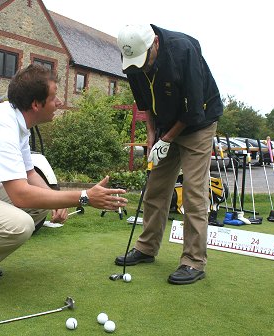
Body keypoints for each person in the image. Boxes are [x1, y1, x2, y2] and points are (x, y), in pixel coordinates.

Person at [0, 64, 128, 294]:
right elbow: (20, 194)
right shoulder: (1, 126)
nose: (59, 103)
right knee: (20, 224)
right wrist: (83, 197)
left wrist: (60, 200)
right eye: (54, 97)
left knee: (38, 209)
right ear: (36, 104)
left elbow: (29, 174)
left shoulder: (18, 123)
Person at [115, 24, 223, 284]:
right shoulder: (132, 57)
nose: (141, 67)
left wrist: (167, 139)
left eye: (144, 61)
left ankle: (193, 262)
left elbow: (193, 110)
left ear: (155, 44)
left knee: (194, 192)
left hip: (198, 123)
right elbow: (145, 103)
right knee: (156, 188)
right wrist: (152, 135)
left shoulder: (183, 52)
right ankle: (146, 248)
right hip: (165, 125)